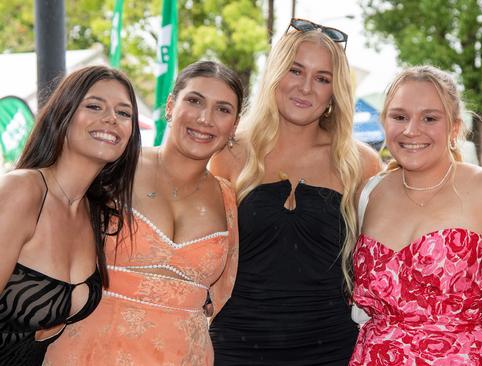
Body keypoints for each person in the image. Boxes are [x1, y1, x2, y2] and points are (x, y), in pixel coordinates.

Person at [44, 61, 243, 365]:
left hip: (184, 356)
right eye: (194, 101)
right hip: (90, 350)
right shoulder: (113, 168)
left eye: (223, 109)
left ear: (234, 125)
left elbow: (220, 296)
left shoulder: (228, 198)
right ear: (170, 106)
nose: (205, 118)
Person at [208, 18, 381, 365]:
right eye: (295, 71)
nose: (305, 88)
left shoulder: (359, 163)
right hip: (235, 347)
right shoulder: (229, 153)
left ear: (335, 91)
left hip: (330, 349)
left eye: (322, 78)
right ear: (275, 74)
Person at [348, 66, 482, 365]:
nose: (411, 130)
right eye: (399, 117)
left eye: (429, 118)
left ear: (454, 128)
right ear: (383, 122)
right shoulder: (369, 193)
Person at [0, 65, 141, 365]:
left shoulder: (98, 215)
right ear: (63, 114)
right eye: (94, 105)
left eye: (124, 113)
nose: (111, 119)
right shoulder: (23, 191)